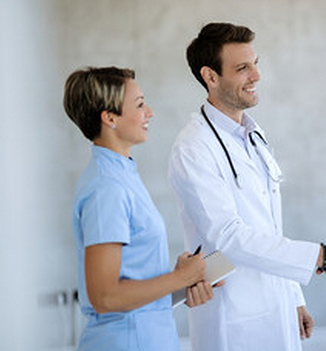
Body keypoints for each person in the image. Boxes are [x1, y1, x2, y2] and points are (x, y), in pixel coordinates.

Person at [168, 23, 326, 351]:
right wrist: (321, 256)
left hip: (276, 305)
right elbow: (228, 237)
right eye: (242, 68)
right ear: (210, 76)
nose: (257, 75)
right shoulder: (194, 147)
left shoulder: (253, 134)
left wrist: (293, 296)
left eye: (255, 63)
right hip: (233, 317)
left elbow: (270, 226)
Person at [63, 66, 215, 351]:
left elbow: (131, 288)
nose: (150, 112)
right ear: (109, 118)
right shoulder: (107, 188)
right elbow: (105, 297)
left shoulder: (122, 175)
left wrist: (184, 284)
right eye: (140, 104)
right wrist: (180, 277)